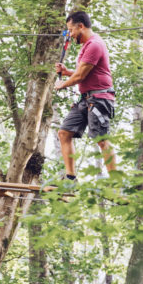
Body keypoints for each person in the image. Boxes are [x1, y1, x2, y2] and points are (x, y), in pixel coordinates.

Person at [54, 11, 117, 180]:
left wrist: (62, 84)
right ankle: (70, 179)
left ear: (80, 26)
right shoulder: (86, 47)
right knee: (64, 133)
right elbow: (84, 73)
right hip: (87, 98)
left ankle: (117, 183)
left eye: (71, 30)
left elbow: (81, 76)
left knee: (101, 139)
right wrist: (67, 72)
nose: (70, 34)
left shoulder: (95, 44)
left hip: (100, 99)